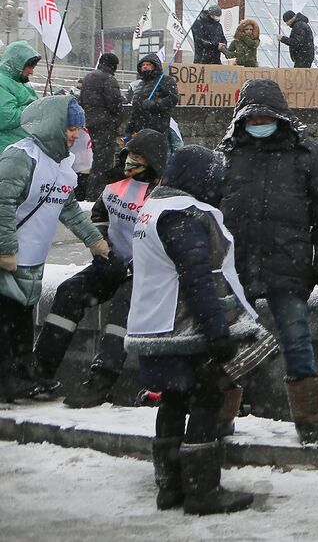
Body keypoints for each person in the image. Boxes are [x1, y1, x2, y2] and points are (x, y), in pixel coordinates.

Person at [126, 145, 261, 515]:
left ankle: (169, 487)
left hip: (151, 325)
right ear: (200, 180)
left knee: (171, 400)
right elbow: (199, 279)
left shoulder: (152, 210)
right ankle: (203, 490)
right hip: (184, 329)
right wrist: (218, 332)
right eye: (215, 181)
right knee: (207, 398)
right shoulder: (184, 215)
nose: (219, 188)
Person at [218, 79, 318, 445]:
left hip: (288, 264)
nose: (258, 123)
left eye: (264, 117)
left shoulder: (306, 155)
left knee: (297, 341)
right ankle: (221, 417)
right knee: (226, 345)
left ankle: (309, 424)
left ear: (280, 117)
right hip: (235, 268)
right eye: (252, 117)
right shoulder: (228, 154)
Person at [28, 129, 166, 407]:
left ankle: (101, 379)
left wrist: (135, 266)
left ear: (152, 162)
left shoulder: (161, 192)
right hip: (110, 262)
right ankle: (40, 370)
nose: (130, 162)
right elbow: (99, 215)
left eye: (138, 158)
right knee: (69, 291)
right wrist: (104, 248)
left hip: (144, 271)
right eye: (129, 156)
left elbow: (162, 237)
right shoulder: (115, 184)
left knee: (122, 308)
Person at [0, 97, 106, 400]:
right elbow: (2, 203)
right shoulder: (20, 157)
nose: (75, 135)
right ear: (53, 125)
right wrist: (5, 249)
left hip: (30, 259)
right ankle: (7, 378)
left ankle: (23, 373)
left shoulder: (60, 165)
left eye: (78, 129)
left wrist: (94, 240)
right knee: (5, 320)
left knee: (20, 318)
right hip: (9, 257)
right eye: (70, 128)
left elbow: (68, 207)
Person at [78, 52, 125, 200]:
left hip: (90, 123)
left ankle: (88, 191)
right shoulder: (109, 79)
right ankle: (97, 194)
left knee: (94, 160)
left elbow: (81, 101)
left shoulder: (88, 78)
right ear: (114, 65)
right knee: (103, 162)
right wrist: (117, 118)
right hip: (105, 125)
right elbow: (115, 104)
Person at [125, 52, 181, 144]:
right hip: (139, 129)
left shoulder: (165, 80)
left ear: (155, 66)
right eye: (143, 65)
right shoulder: (140, 84)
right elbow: (136, 109)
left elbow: (172, 99)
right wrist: (130, 127)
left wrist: (155, 104)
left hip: (157, 128)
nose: (145, 67)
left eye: (148, 64)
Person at [0, 40, 40, 149]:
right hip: (7, 149)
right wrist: (37, 107)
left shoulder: (18, 82)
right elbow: (7, 117)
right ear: (17, 63)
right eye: (30, 67)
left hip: (20, 147)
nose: (31, 72)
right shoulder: (2, 82)